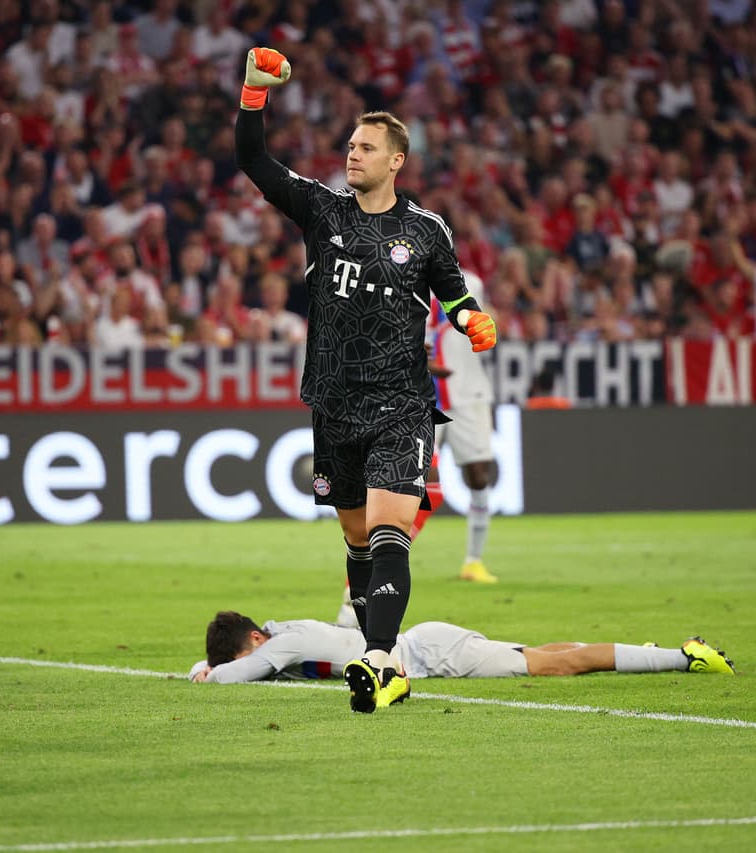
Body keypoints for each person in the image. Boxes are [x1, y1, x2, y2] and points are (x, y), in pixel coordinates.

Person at [234, 47, 498, 713]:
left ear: (395, 161)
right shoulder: (323, 212)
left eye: (366, 147)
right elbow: (255, 163)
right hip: (333, 405)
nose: (352, 154)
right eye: (350, 145)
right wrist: (252, 94)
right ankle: (378, 652)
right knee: (357, 540)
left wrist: (474, 321)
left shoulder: (426, 230)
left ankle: (381, 662)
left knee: (389, 528)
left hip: (402, 403)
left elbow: (457, 297)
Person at [190, 612, 735, 688]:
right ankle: (651, 650)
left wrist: (210, 674)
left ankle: (683, 655)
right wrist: (208, 664)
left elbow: (241, 675)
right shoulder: (283, 635)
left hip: (430, 656)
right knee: (546, 652)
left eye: (248, 657)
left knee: (558, 665)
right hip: (426, 646)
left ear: (256, 642)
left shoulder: (282, 645)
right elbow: (245, 668)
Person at [430, 270, 498, 583]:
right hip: (422, 392)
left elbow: (478, 325)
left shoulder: (472, 282)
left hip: (468, 390)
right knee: (417, 479)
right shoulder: (398, 272)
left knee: (479, 474)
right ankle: (391, 556)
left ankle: (474, 561)